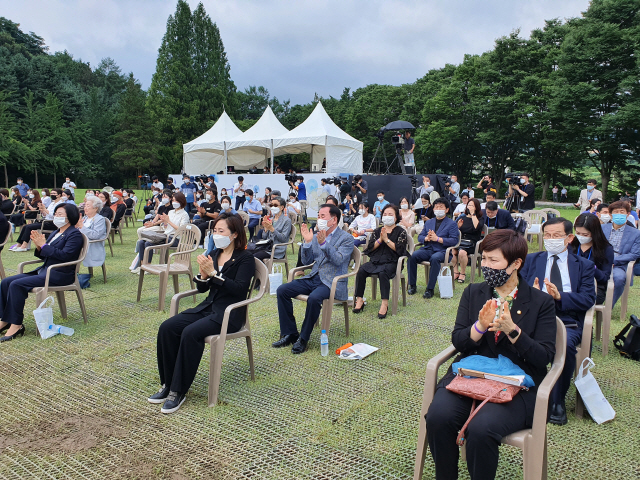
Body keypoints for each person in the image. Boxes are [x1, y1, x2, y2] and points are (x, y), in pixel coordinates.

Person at [426, 229, 557, 480]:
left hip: (518, 386)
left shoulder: (541, 302)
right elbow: (458, 340)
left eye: (493, 260)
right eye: (483, 259)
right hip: (471, 375)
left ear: (516, 263)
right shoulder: (474, 292)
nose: (486, 266)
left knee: (482, 428)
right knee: (438, 417)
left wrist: (513, 331)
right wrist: (479, 327)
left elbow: (544, 357)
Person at [148, 213, 254, 413]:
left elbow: (239, 290)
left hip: (229, 314)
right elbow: (204, 289)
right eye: (215, 231)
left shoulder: (245, 258)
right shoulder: (213, 254)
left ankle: (178, 391)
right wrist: (203, 275)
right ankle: (168, 383)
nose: (216, 235)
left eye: (221, 231)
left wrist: (214, 274)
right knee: (167, 328)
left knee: (190, 333)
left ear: (234, 235)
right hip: (207, 307)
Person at [520, 217, 596, 425]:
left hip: (566, 319)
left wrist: (561, 297)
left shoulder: (584, 266)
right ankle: (523, 389)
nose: (550, 240)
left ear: (569, 238)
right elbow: (518, 291)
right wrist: (532, 294)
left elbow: (589, 298)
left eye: (556, 236)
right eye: (547, 235)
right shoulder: (532, 260)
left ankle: (557, 400)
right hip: (534, 316)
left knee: (566, 345)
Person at [273, 205, 353, 354]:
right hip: (314, 277)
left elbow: (338, 260)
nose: (319, 219)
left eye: (322, 216)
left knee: (314, 298)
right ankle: (290, 333)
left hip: (331, 281)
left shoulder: (346, 238)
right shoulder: (316, 235)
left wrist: (324, 244)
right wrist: (308, 243)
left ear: (333, 220)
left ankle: (303, 338)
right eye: (318, 216)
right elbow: (306, 261)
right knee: (282, 290)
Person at [0, 204, 84, 342]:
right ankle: (5, 320)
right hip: (44, 271)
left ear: (70, 217)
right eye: (56, 213)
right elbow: (45, 256)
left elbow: (65, 256)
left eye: (60, 214)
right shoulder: (55, 232)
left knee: (16, 285)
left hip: (59, 274)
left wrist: (44, 246)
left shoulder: (74, 234)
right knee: (6, 282)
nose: (56, 216)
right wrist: (40, 247)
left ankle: (16, 325)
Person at [353, 205, 407, 318]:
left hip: (392, 261)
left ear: (396, 217)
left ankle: (384, 303)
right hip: (376, 260)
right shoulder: (377, 231)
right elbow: (370, 248)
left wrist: (386, 240)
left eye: (390, 214)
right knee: (361, 270)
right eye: (385, 214)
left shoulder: (401, 231)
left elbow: (399, 249)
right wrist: (380, 239)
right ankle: (359, 299)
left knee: (383, 273)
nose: (387, 216)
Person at [407, 198, 460, 299]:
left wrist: (438, 239)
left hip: (443, 251)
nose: (438, 209)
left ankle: (429, 289)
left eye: (441, 207)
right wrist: (426, 238)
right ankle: (412, 285)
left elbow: (454, 241)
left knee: (435, 258)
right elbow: (420, 237)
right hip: (428, 249)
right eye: (436, 207)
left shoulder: (452, 224)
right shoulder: (429, 222)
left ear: (447, 210)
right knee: (412, 256)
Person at [130, 192, 190, 273]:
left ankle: (147, 267)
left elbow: (181, 229)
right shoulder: (171, 212)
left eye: (176, 201)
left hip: (175, 239)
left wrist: (168, 221)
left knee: (148, 244)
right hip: (165, 235)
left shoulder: (184, 214)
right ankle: (142, 266)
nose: (173, 202)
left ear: (181, 202)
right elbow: (166, 227)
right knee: (141, 242)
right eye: (173, 200)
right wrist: (165, 222)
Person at [601, 201, 640, 307]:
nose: (619, 214)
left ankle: (608, 307)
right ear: (610, 214)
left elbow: (635, 254)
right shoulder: (602, 228)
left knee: (619, 278)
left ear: (628, 214)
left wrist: (614, 261)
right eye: (616, 212)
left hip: (620, 264)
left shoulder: (636, 233)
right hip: (601, 261)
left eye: (622, 212)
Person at [571, 213, 614, 305]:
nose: (581, 237)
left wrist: (592, 268)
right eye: (578, 233)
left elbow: (604, 277)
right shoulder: (571, 246)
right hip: (570, 284)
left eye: (585, 235)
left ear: (594, 233)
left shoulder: (605, 249)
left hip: (593, 287)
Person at [451, 199, 485, 283]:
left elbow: (477, 227)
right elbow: (453, 230)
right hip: (460, 241)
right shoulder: (462, 216)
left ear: (476, 207)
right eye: (469, 205)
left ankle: (463, 273)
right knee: (452, 251)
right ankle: (456, 271)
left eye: (472, 205)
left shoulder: (480, 218)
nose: (469, 207)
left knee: (462, 252)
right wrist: (458, 227)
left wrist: (473, 214)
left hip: (472, 242)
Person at [251, 196, 292, 262]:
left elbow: (283, 238)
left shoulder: (287, 221)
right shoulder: (271, 220)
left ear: (282, 207)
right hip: (266, 247)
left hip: (276, 249)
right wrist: (266, 229)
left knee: (255, 256)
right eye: (271, 205)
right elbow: (264, 237)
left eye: (275, 205)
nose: (272, 207)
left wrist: (272, 229)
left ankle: (261, 272)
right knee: (247, 253)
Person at [77, 196, 107, 270]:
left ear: (96, 208)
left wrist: (81, 226)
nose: (85, 208)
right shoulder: (85, 218)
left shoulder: (100, 219)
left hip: (91, 243)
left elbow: (95, 235)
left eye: (88, 206)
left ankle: (71, 272)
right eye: (85, 206)